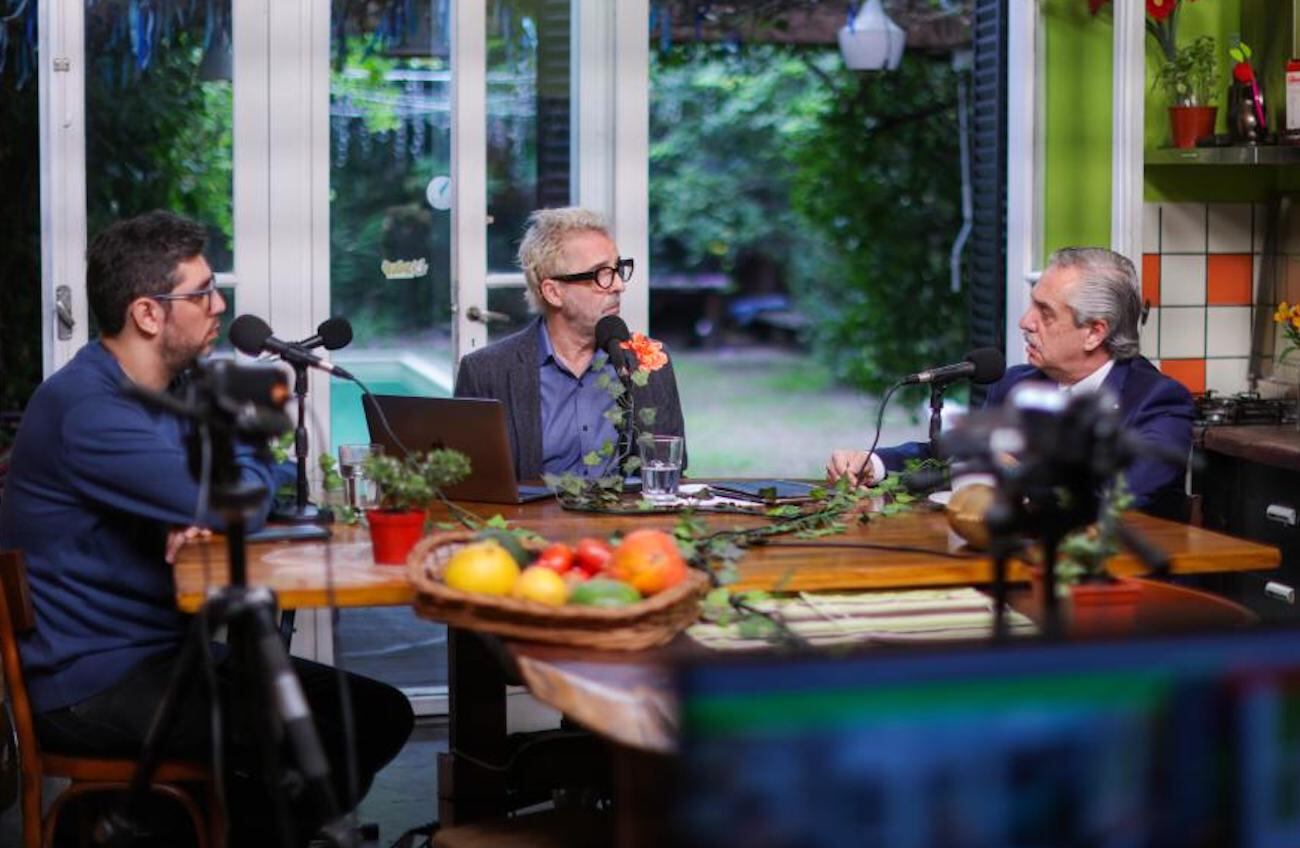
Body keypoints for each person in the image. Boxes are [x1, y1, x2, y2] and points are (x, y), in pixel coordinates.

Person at [0, 211, 412, 845]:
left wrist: (212, 498)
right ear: (146, 313)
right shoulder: (90, 409)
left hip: (161, 652)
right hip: (94, 680)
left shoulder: (173, 386)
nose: (219, 305)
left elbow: (263, 481)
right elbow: (242, 501)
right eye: (201, 293)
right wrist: (218, 497)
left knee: (378, 714)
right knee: (318, 746)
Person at [827, 247, 1195, 517]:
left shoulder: (1159, 401)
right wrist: (873, 464)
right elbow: (950, 458)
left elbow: (1115, 496)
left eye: (1045, 313)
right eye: (1032, 304)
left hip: (1124, 592)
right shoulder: (1017, 384)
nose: (1025, 321)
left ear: (1094, 333)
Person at [455, 207, 686, 480]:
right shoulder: (486, 373)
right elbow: (469, 487)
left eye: (617, 269)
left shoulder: (650, 362)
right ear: (553, 292)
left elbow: (672, 471)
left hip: (629, 521)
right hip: (530, 522)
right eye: (601, 274)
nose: (618, 286)